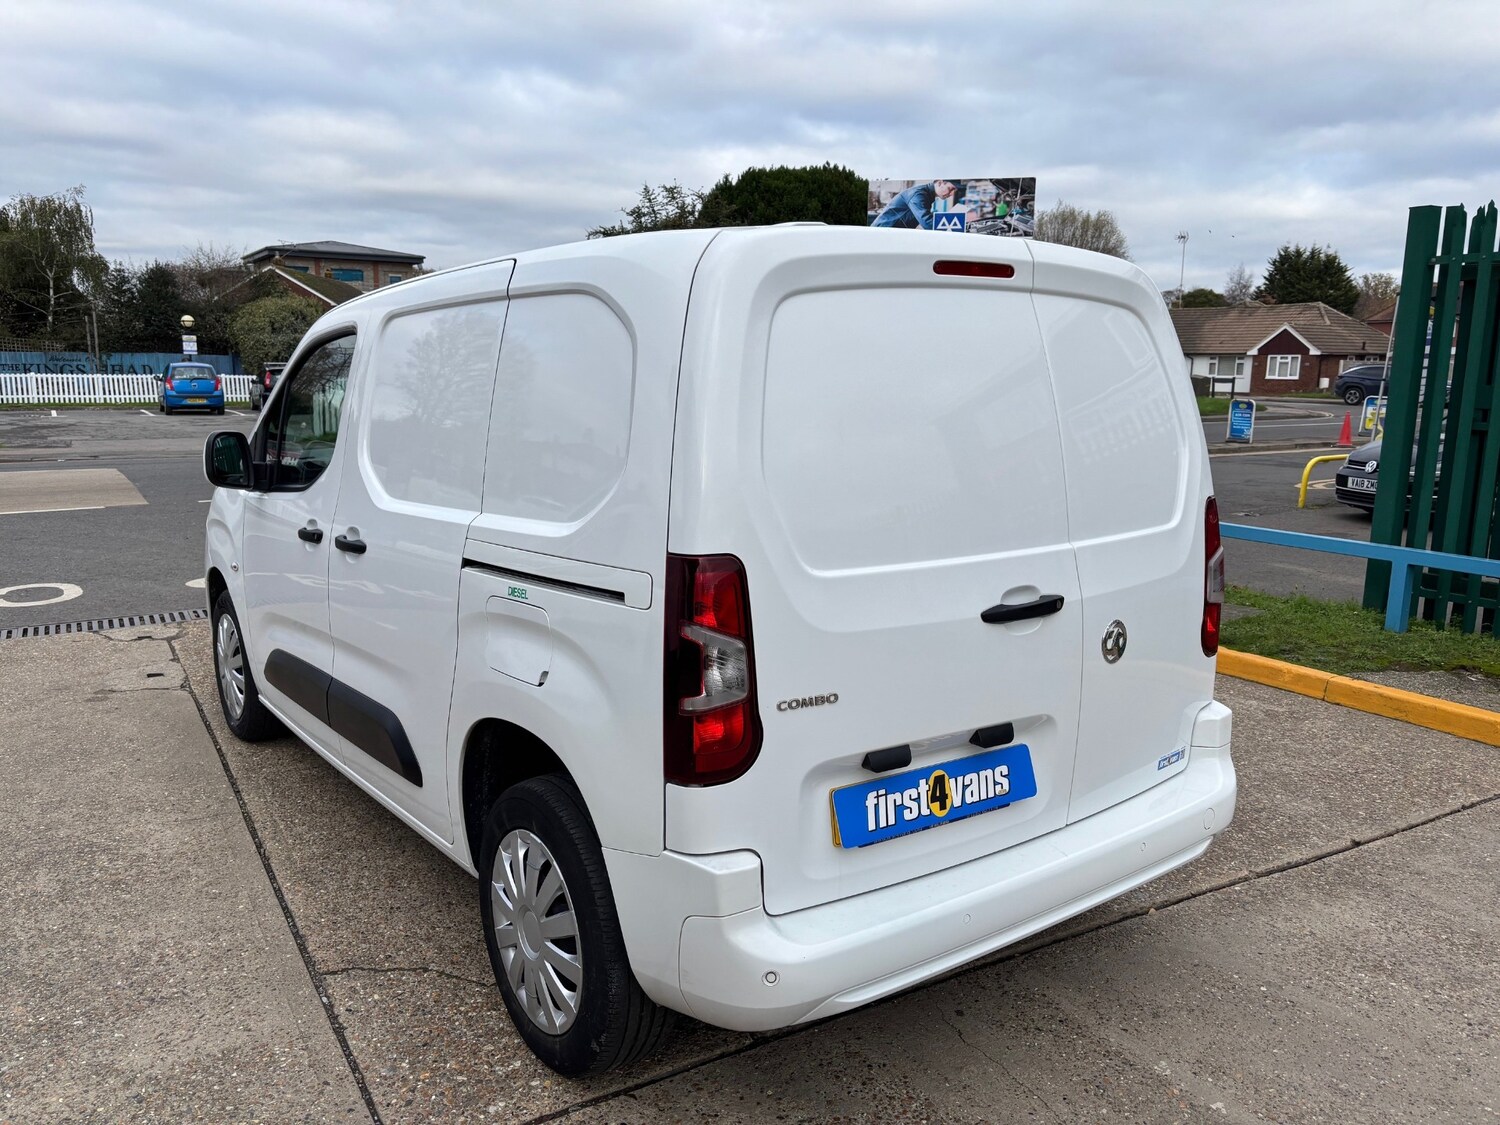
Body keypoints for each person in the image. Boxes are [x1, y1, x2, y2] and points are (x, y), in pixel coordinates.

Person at [871, 179, 967, 229]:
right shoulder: (918, 194)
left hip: (892, 233)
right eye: (950, 189)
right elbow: (927, 223)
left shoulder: (927, 195)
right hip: (882, 232)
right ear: (940, 182)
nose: (951, 194)